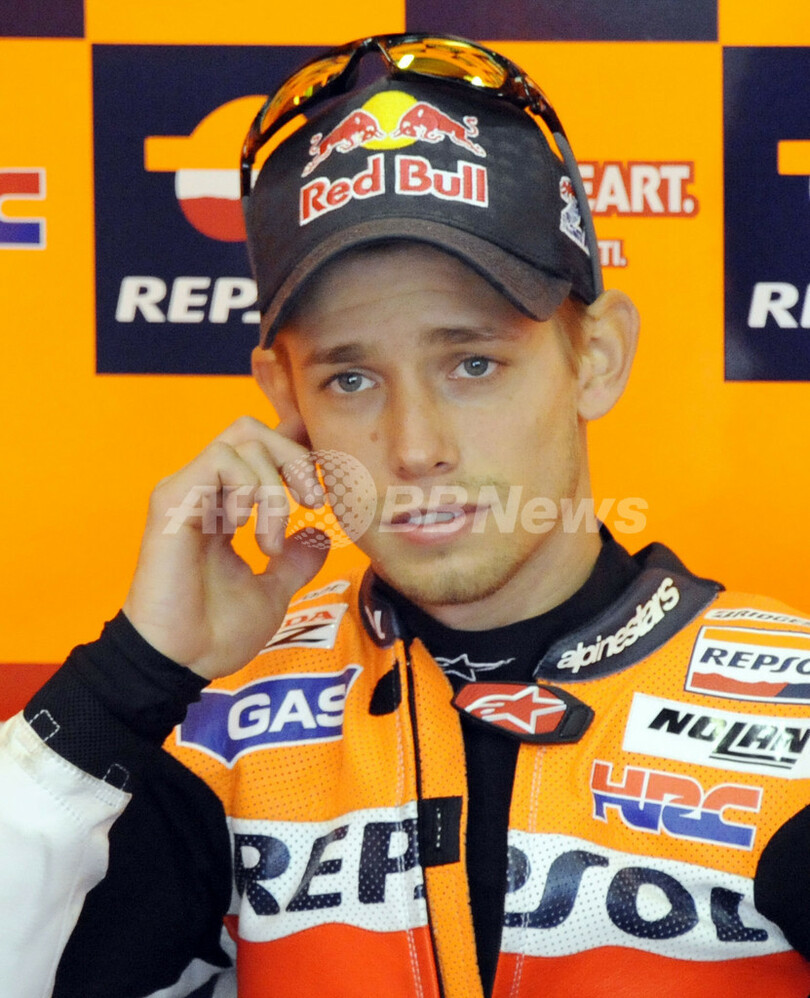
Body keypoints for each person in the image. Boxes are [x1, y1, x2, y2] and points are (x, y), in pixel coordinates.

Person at [1, 33, 810, 998]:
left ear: (597, 357)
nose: (415, 446)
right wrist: (132, 677)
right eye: (350, 379)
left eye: (473, 363)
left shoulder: (788, 712)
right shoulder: (222, 730)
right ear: (286, 397)